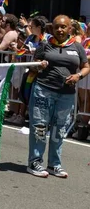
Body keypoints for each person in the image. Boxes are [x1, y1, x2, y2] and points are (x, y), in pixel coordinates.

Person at [27, 15, 89, 178]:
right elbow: (32, 67)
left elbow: (86, 66)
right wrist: (38, 66)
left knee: (59, 130)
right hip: (43, 90)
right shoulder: (44, 46)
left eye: (63, 27)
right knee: (39, 128)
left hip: (66, 95)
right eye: (56, 27)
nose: (60, 30)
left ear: (70, 28)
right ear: (52, 29)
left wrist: (78, 76)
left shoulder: (77, 47)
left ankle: (54, 165)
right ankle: (35, 162)